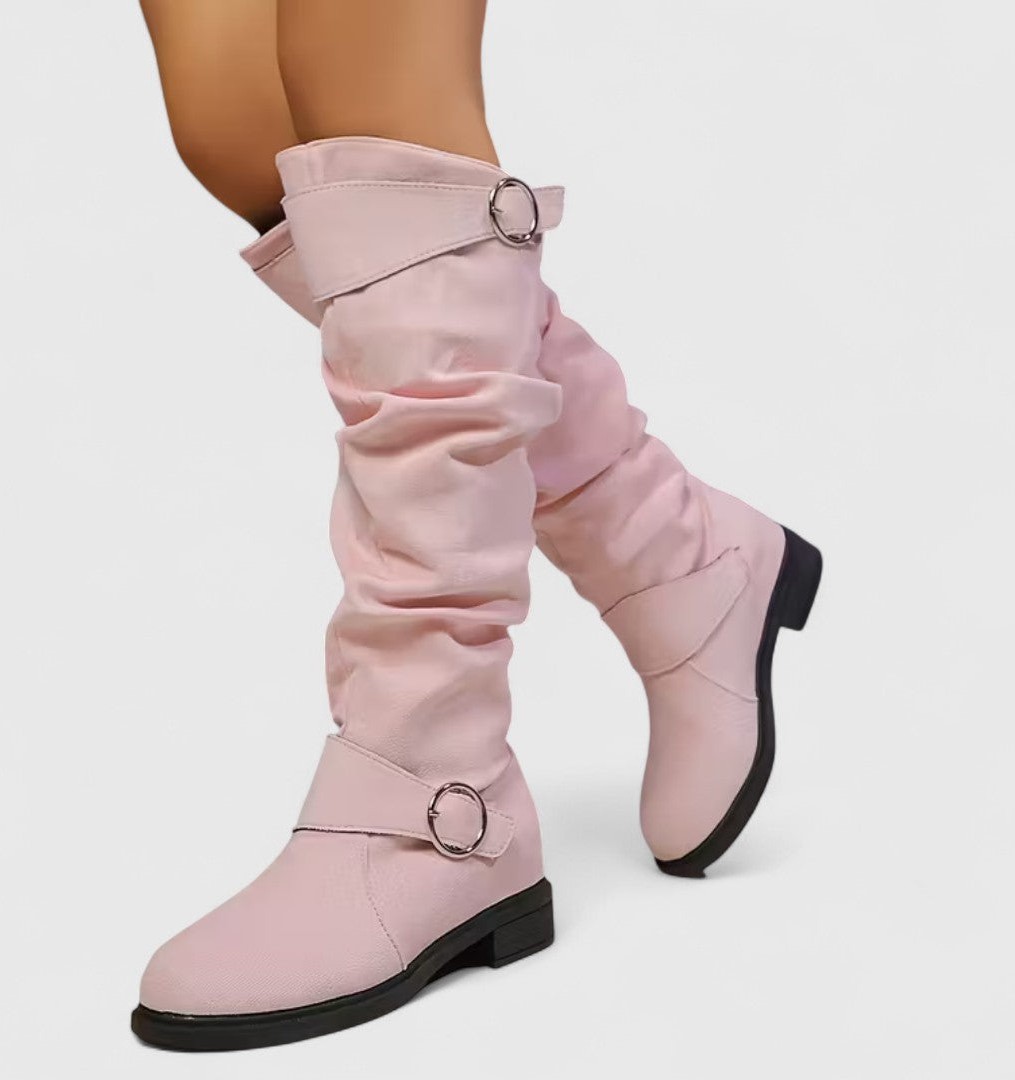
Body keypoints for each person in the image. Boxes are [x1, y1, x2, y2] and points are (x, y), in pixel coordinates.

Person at [130, 0, 822, 1051]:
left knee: (366, 88)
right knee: (235, 121)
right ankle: (673, 552)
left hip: (436, 787)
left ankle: (437, 792)